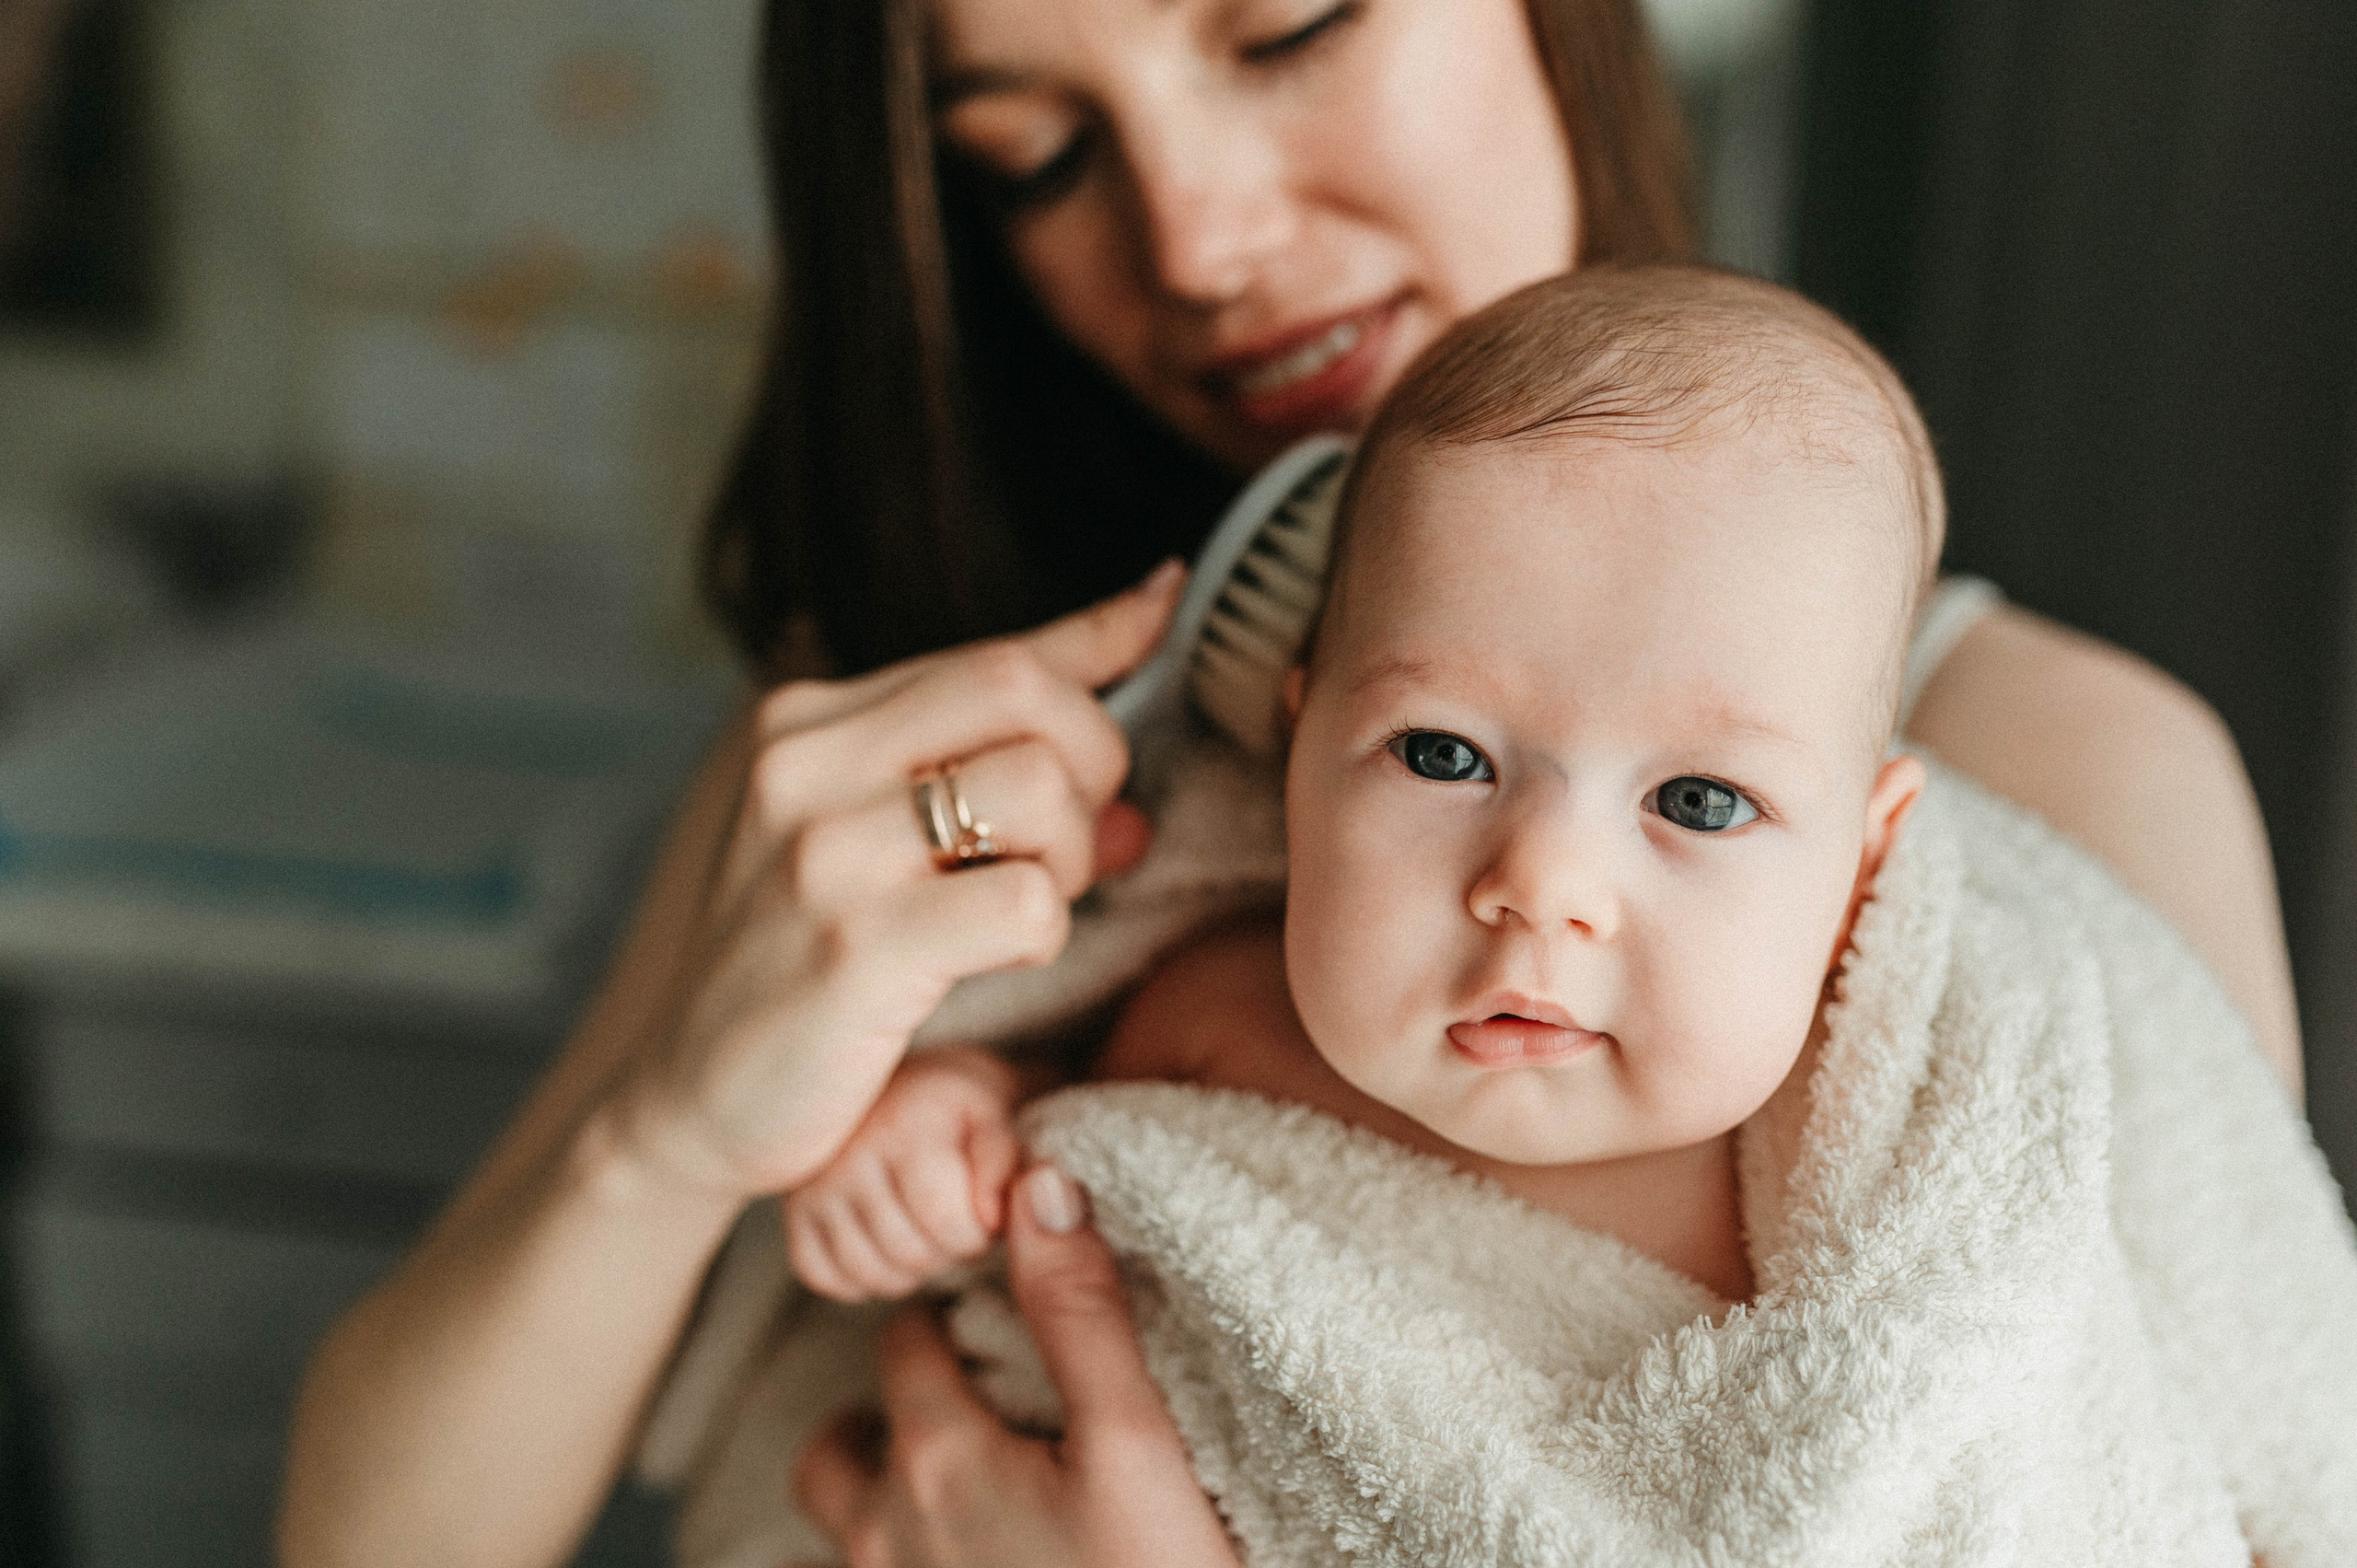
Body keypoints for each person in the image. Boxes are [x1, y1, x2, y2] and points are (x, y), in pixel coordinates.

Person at [277, 1, 2305, 1563]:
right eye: (1036, 155)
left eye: (1285, 26)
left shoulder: (2051, 785)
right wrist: (669, 1139)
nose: (1201, 237)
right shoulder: (899, 763)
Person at [786, 266, 1942, 1312]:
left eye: (1697, 801)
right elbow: (1053, 1139)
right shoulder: (1216, 1024)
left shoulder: (1867, 1208)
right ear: (1299, 763)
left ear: (1862, 872)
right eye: (1443, 755)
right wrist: (956, 1116)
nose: (1540, 884)